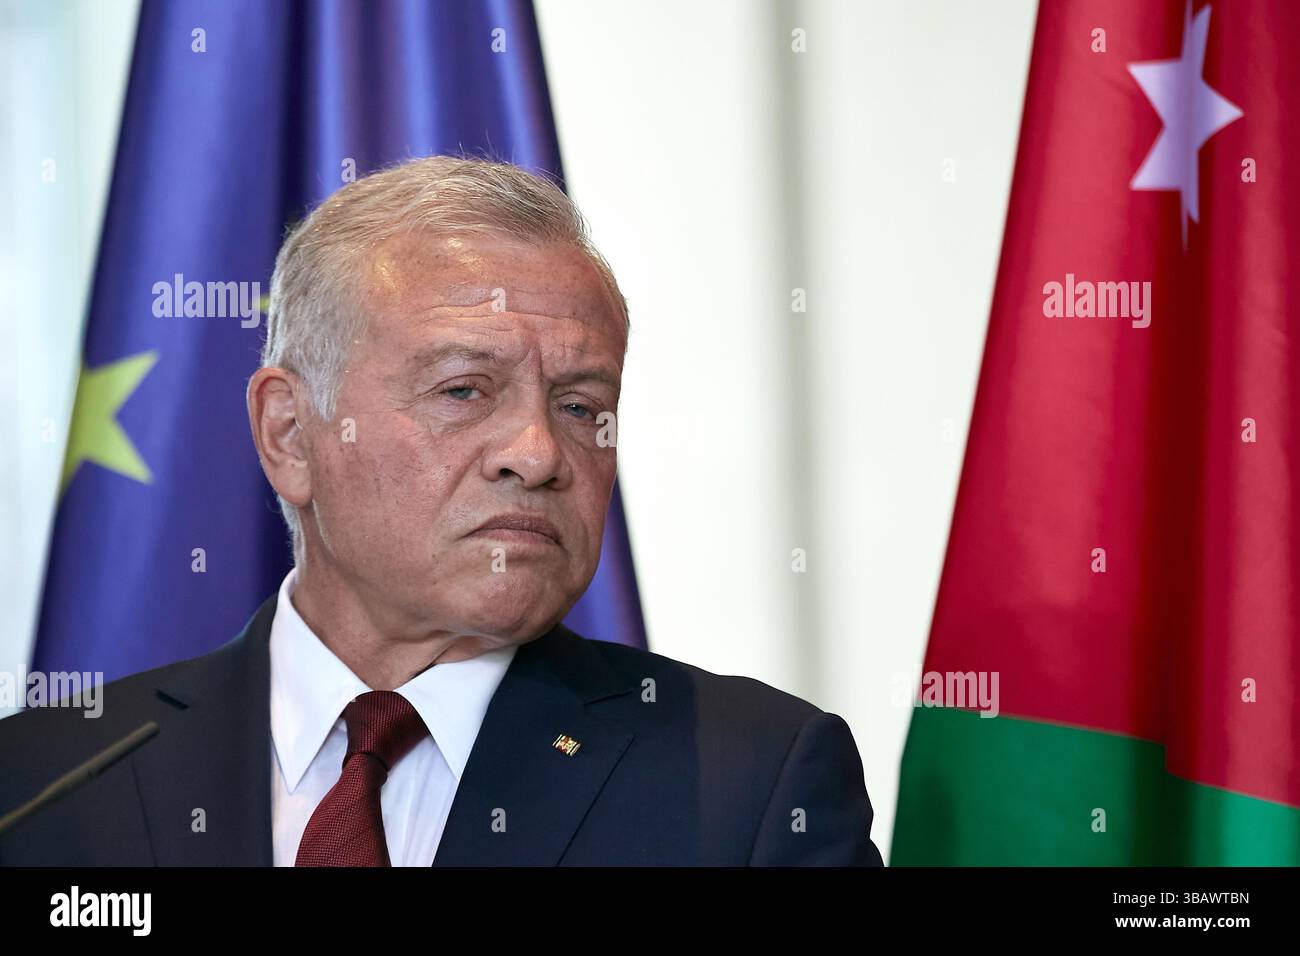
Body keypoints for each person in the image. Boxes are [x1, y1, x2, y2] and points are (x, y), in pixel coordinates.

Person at [0, 156, 885, 866]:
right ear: (290, 435)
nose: (538, 453)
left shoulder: (752, 787)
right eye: (465, 390)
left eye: (581, 406)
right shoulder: (46, 785)